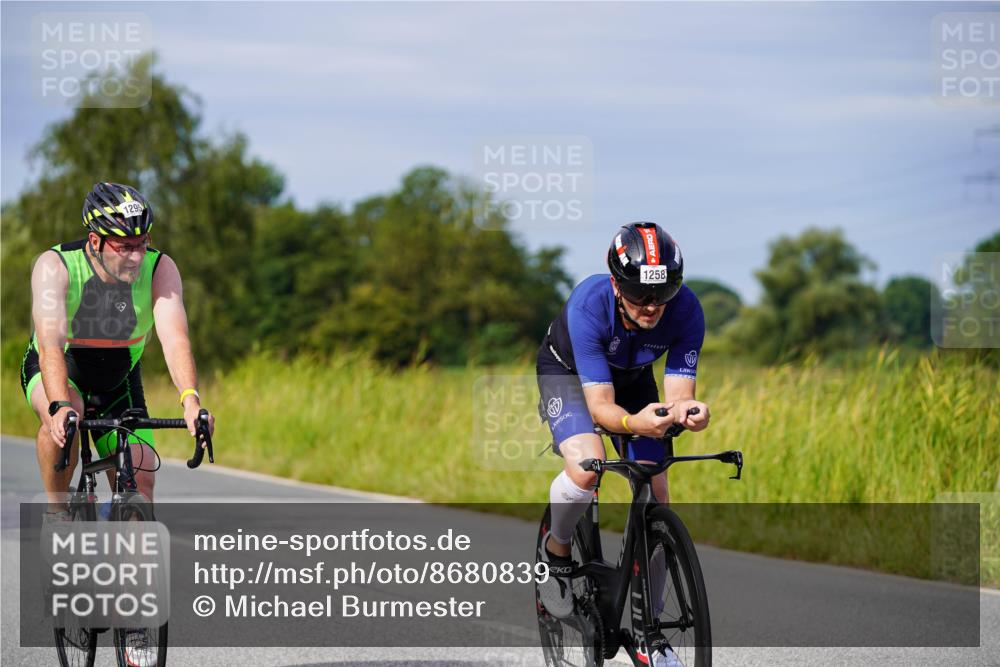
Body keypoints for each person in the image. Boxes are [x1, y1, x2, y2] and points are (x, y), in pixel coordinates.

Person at [535, 222, 710, 667]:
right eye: (638, 294)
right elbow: (600, 408)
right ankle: (556, 555)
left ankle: (650, 630)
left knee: (657, 489)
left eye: (663, 293)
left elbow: (679, 395)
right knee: (587, 467)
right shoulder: (589, 305)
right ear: (616, 285)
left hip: (632, 379)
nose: (652, 305)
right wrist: (634, 423)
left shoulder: (687, 310)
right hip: (569, 377)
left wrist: (689, 412)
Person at [21, 182, 215, 518]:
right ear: (95, 241)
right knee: (66, 421)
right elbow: (50, 346)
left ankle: (132, 547)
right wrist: (60, 405)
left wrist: (191, 401)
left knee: (141, 479)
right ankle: (57, 512)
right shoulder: (56, 266)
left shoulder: (159, 268)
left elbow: (175, 339)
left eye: (142, 243)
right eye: (125, 247)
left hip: (118, 379)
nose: (136, 257)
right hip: (59, 370)